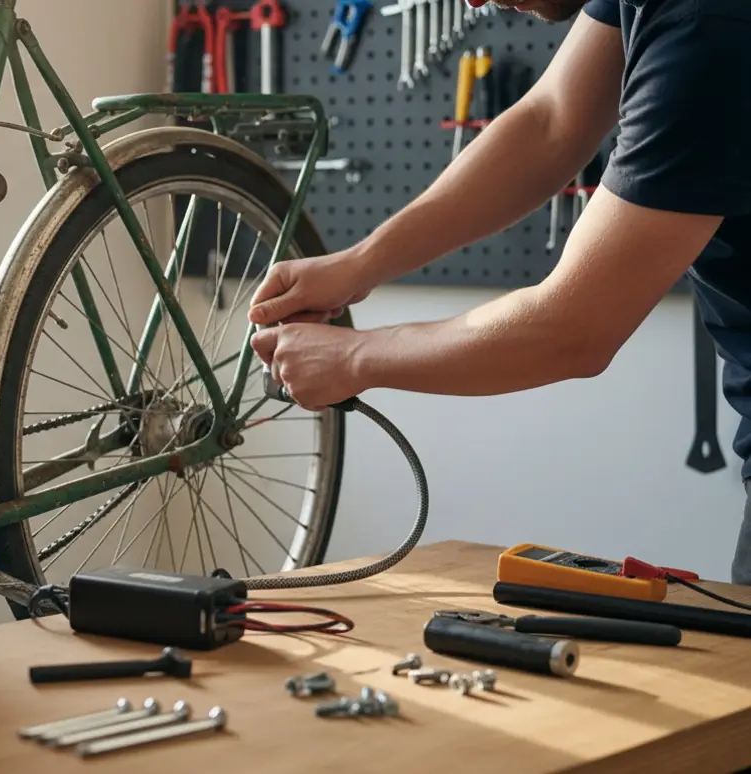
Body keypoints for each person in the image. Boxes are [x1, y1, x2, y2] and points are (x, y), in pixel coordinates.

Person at [246, 0, 751, 582]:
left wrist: (353, 358)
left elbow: (573, 330)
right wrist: (359, 265)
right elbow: (550, 122)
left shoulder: (708, 27)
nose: (473, 3)